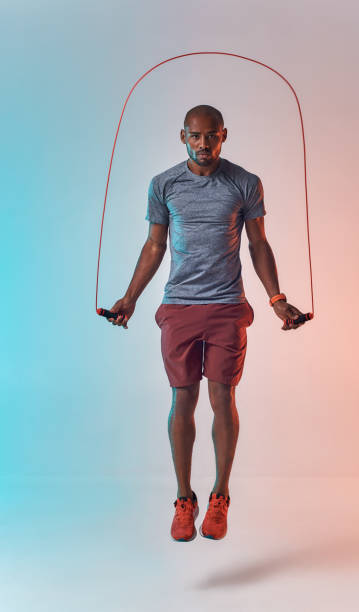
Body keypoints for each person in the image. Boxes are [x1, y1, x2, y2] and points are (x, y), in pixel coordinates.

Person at [106, 104, 305, 542]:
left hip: (226, 306)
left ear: (224, 135)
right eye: (195, 136)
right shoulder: (164, 185)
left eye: (211, 135)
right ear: (182, 137)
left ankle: (220, 496)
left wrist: (277, 299)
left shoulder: (244, 183)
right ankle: (183, 499)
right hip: (179, 306)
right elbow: (154, 245)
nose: (203, 144)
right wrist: (130, 298)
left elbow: (258, 244)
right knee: (182, 398)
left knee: (222, 396)